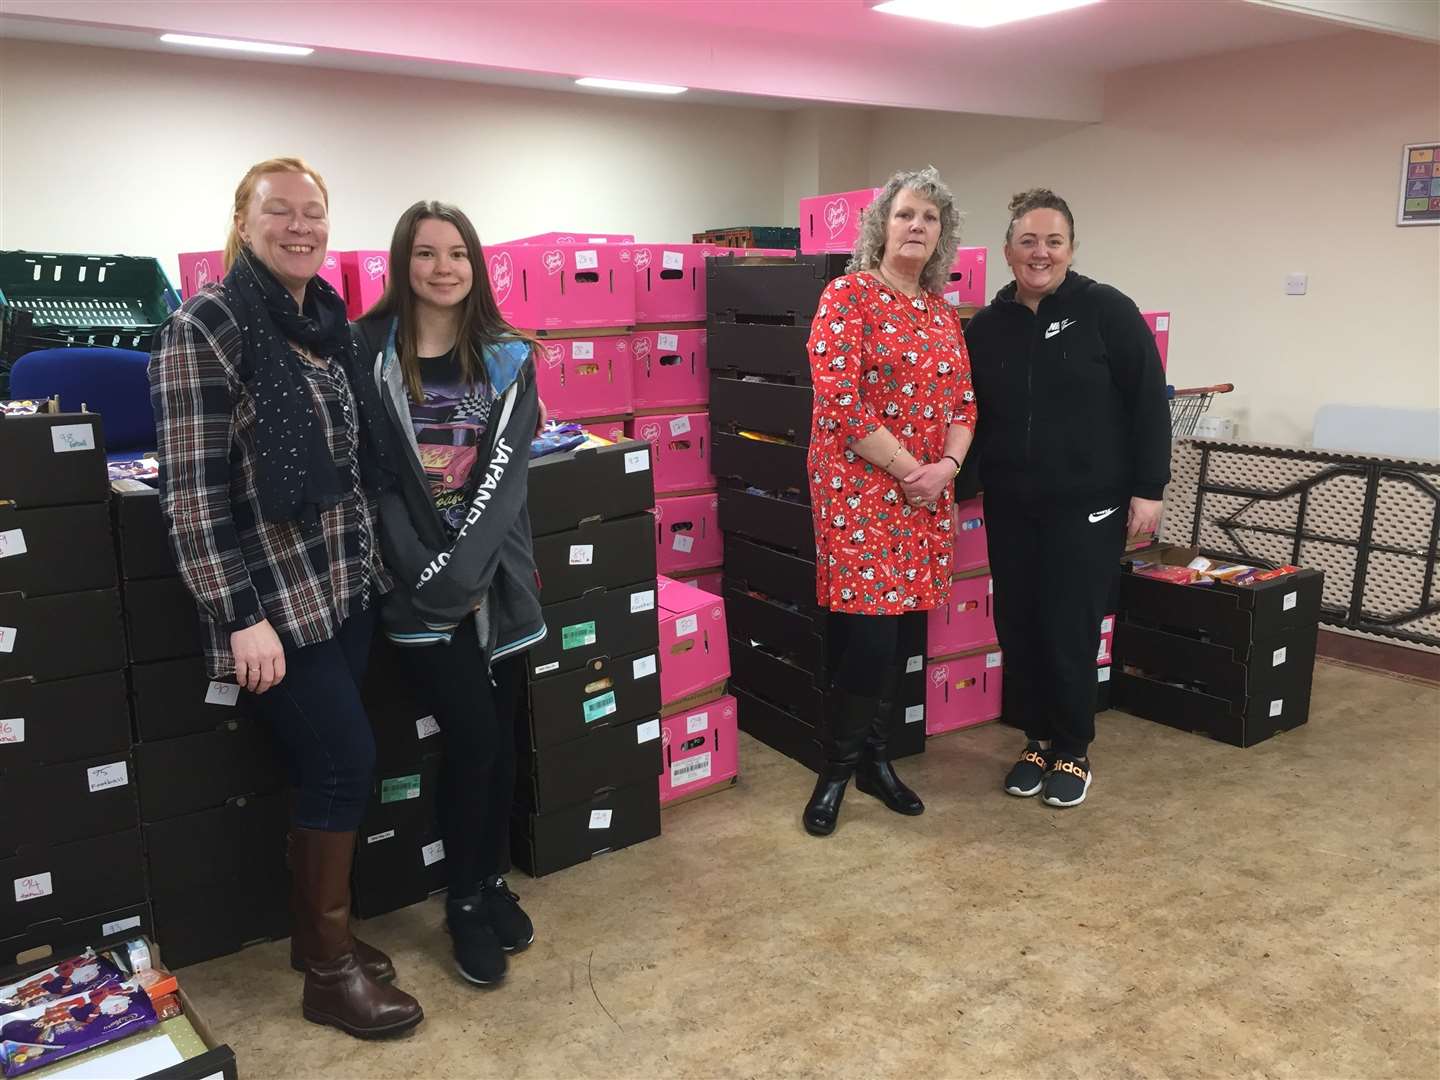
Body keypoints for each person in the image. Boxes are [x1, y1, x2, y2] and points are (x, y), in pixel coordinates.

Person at [150, 158, 423, 1037]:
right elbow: (191, 496)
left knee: (326, 766)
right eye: (280, 212)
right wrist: (239, 616)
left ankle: (317, 942)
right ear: (243, 221)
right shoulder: (208, 326)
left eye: (314, 213)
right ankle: (330, 971)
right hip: (275, 604)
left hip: (343, 585)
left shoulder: (322, 322)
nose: (300, 227)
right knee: (344, 763)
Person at [353, 202, 546, 986]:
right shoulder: (368, 354)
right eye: (426, 253)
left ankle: (491, 877)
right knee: (470, 740)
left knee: (499, 744)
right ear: (403, 264)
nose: (442, 268)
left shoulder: (507, 358)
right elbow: (381, 483)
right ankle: (462, 901)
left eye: (458, 254)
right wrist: (433, 584)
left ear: (477, 266)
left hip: (495, 588)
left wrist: (465, 578)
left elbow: (504, 481)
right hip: (416, 594)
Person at [963, 188, 1170, 809]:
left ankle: (1073, 748)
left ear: (1071, 249)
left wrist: (1149, 490)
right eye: (1027, 240)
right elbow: (971, 414)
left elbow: (1147, 404)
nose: (1040, 252)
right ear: (1007, 251)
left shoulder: (1107, 311)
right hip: (1012, 505)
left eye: (1053, 241)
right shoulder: (988, 326)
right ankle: (1035, 738)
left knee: (1069, 626)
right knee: (1018, 624)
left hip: (1090, 505)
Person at [802, 166, 977, 836]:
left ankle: (875, 761)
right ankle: (837, 771)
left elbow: (964, 401)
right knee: (870, 638)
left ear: (942, 236)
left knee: (903, 631)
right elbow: (840, 400)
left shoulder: (940, 312)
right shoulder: (847, 297)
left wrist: (947, 467)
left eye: (929, 219)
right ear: (882, 224)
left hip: (927, 491)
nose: (916, 227)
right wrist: (913, 471)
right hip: (862, 490)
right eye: (906, 214)